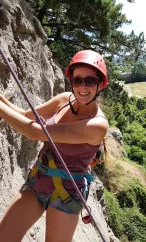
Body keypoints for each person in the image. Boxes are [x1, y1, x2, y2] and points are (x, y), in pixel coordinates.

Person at [0, 50, 109, 242]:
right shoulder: (63, 100)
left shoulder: (97, 125)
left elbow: (36, 132)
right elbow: (26, 116)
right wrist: (2, 100)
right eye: (77, 80)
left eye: (90, 81)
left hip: (66, 195)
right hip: (38, 182)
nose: (82, 87)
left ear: (100, 84)